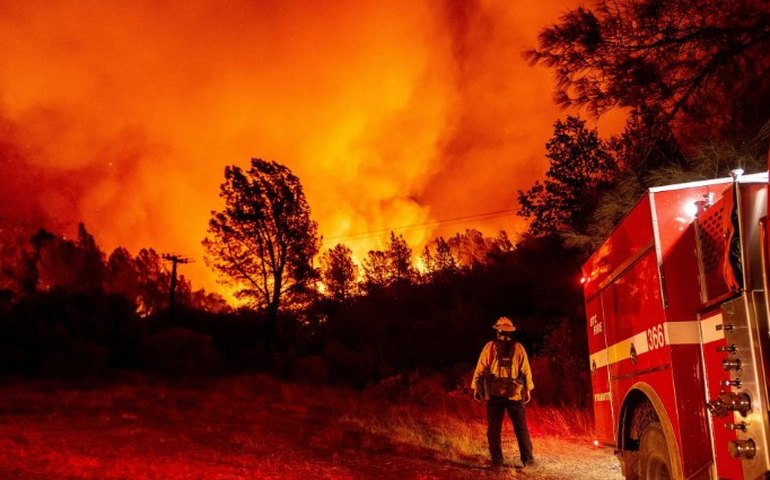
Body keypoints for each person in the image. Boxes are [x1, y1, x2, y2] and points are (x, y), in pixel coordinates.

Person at [472, 316, 535, 470]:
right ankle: (528, 461)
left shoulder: (490, 347)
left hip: (495, 393)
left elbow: (480, 368)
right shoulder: (519, 347)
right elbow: (526, 370)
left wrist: (476, 388)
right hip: (514, 393)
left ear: (497, 331)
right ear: (510, 332)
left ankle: (497, 463)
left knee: (494, 429)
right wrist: (527, 390)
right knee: (521, 428)